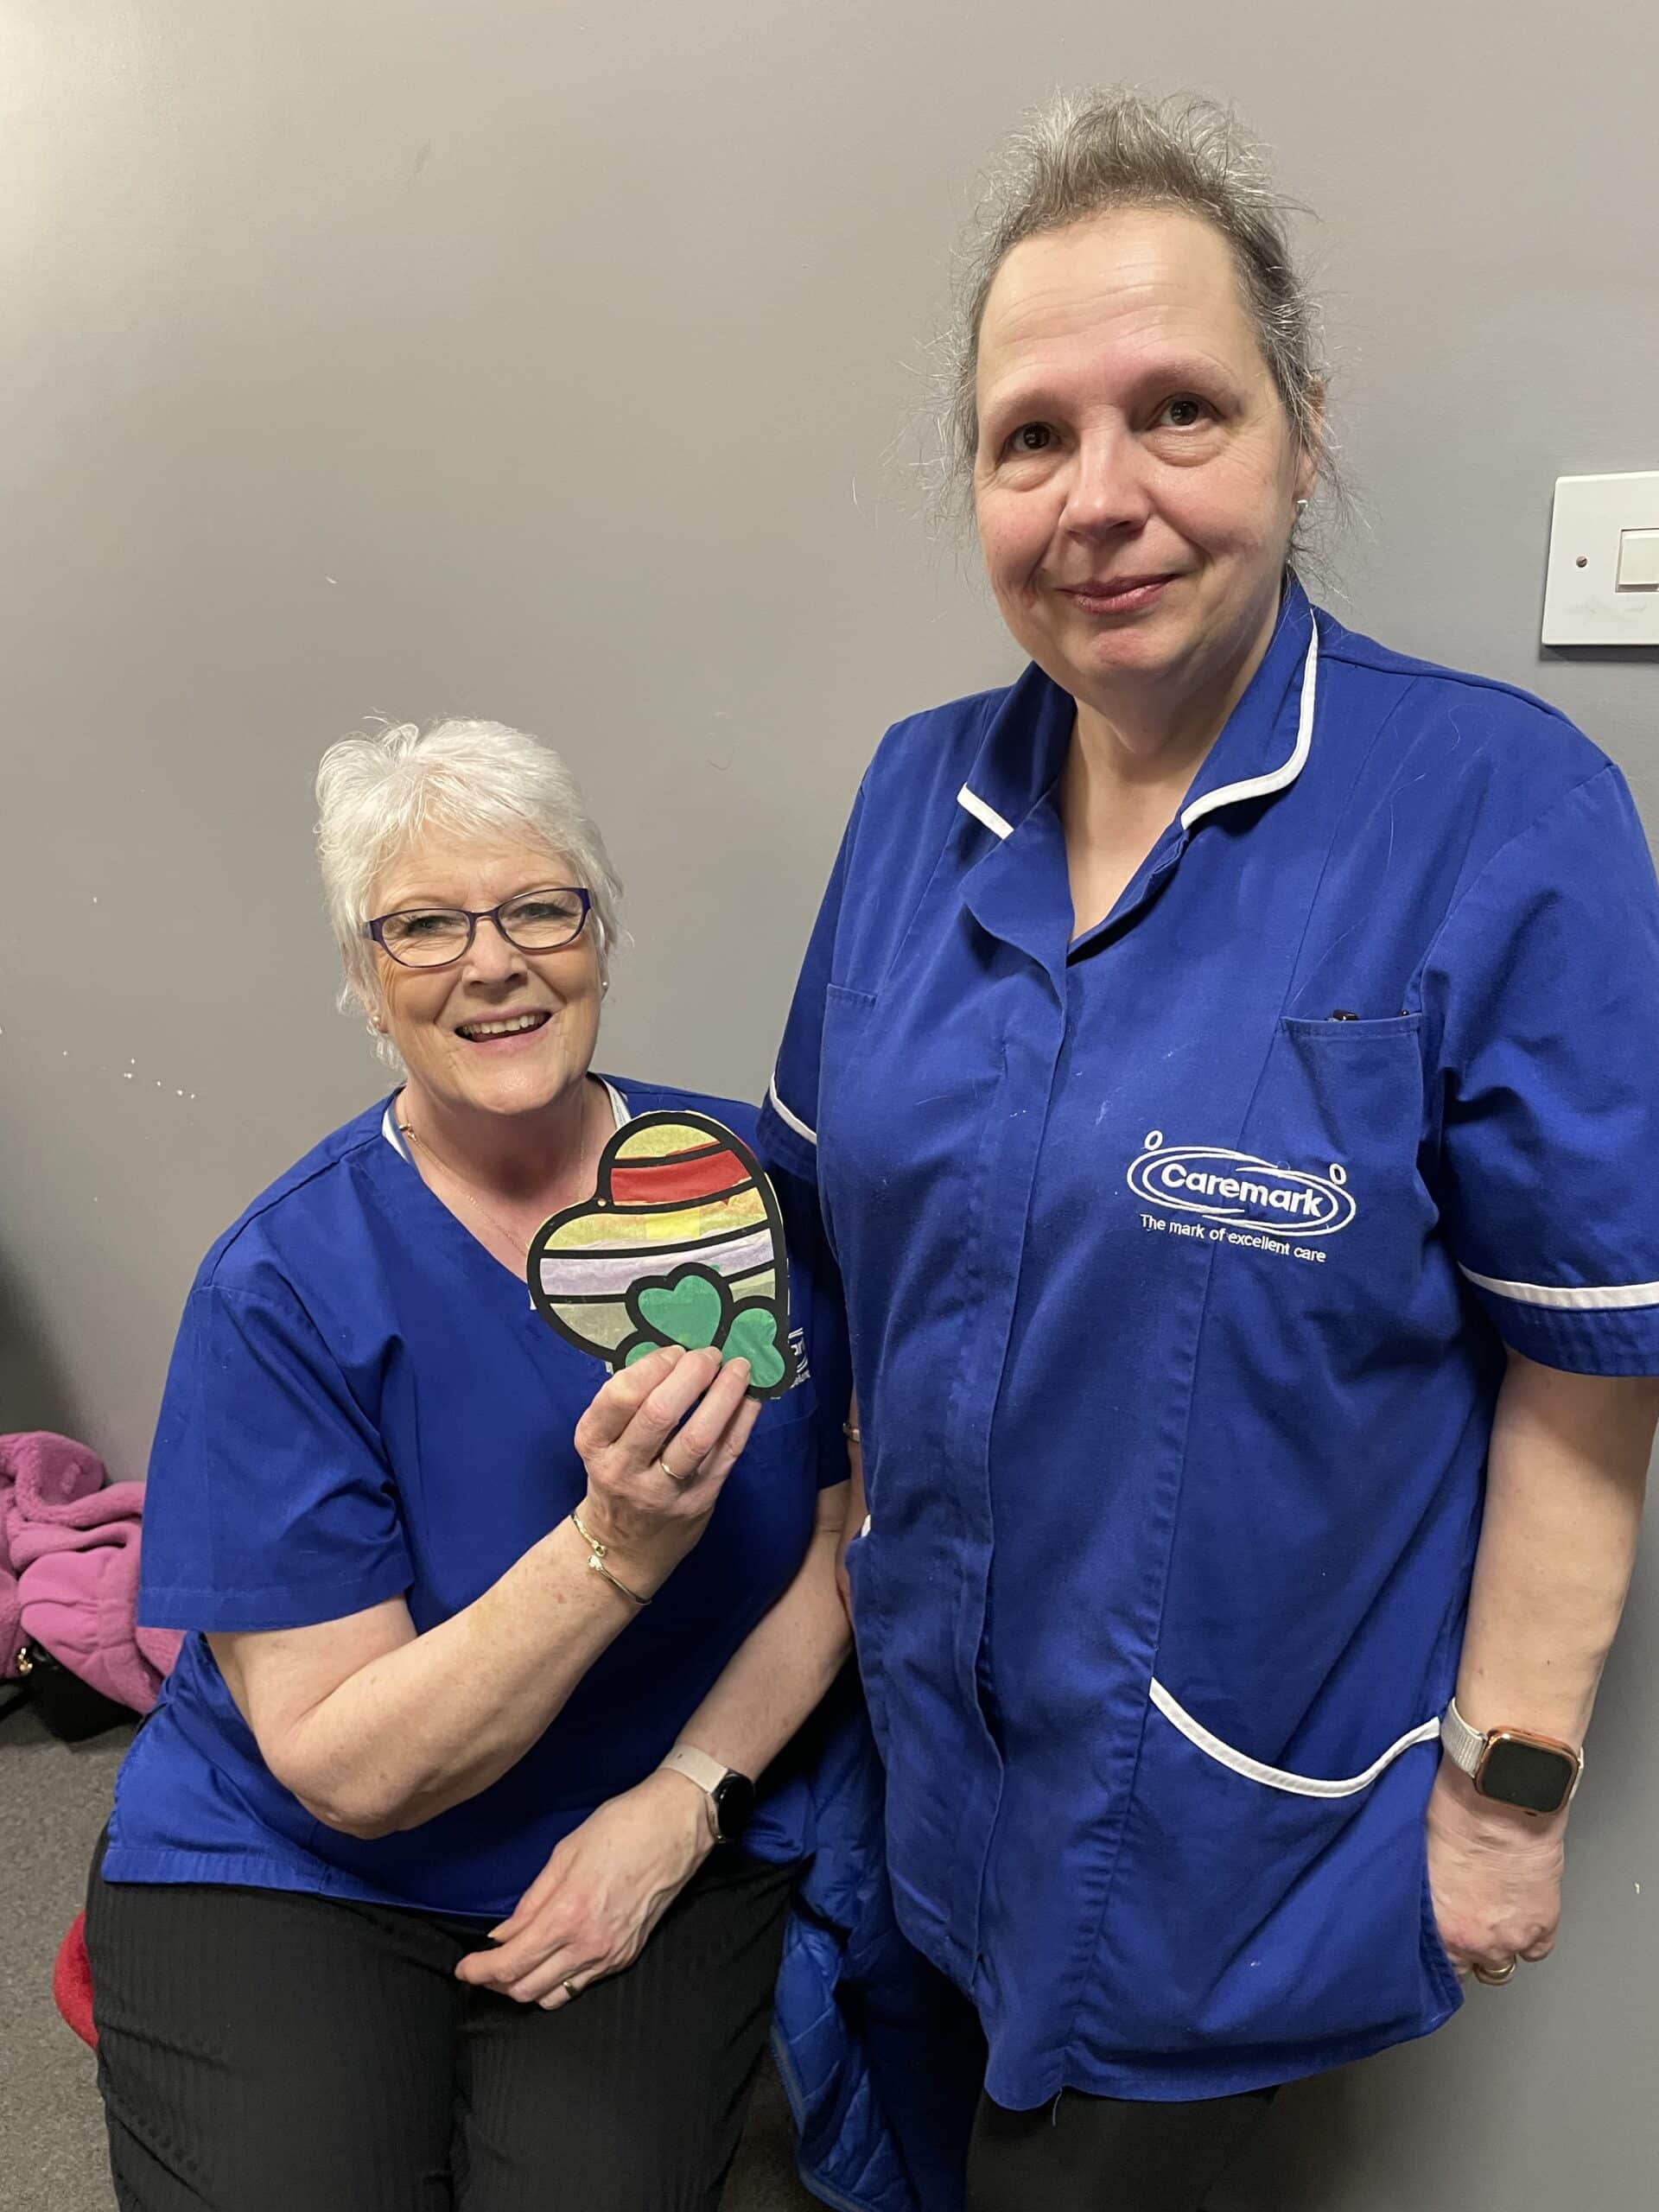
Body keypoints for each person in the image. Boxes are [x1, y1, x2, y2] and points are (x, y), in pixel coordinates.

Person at [759, 91, 1659, 2212]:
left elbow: (1591, 1361)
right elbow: (835, 1234)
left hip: (1228, 1828)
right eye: (1031, 438)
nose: (1104, 499)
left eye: (1179, 409)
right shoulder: (912, 799)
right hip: (925, 1759)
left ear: (1301, 430)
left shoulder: (1500, 813)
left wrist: (1510, 1789)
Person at [86, 717, 855, 2212]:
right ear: (364, 977)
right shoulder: (282, 1284)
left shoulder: (751, 1194)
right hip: (306, 1858)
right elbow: (349, 1772)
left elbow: (843, 1534)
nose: (491, 963)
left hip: (645, 1806)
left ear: (600, 934)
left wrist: (684, 1801)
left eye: (539, 909)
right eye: (423, 926)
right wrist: (615, 1550)